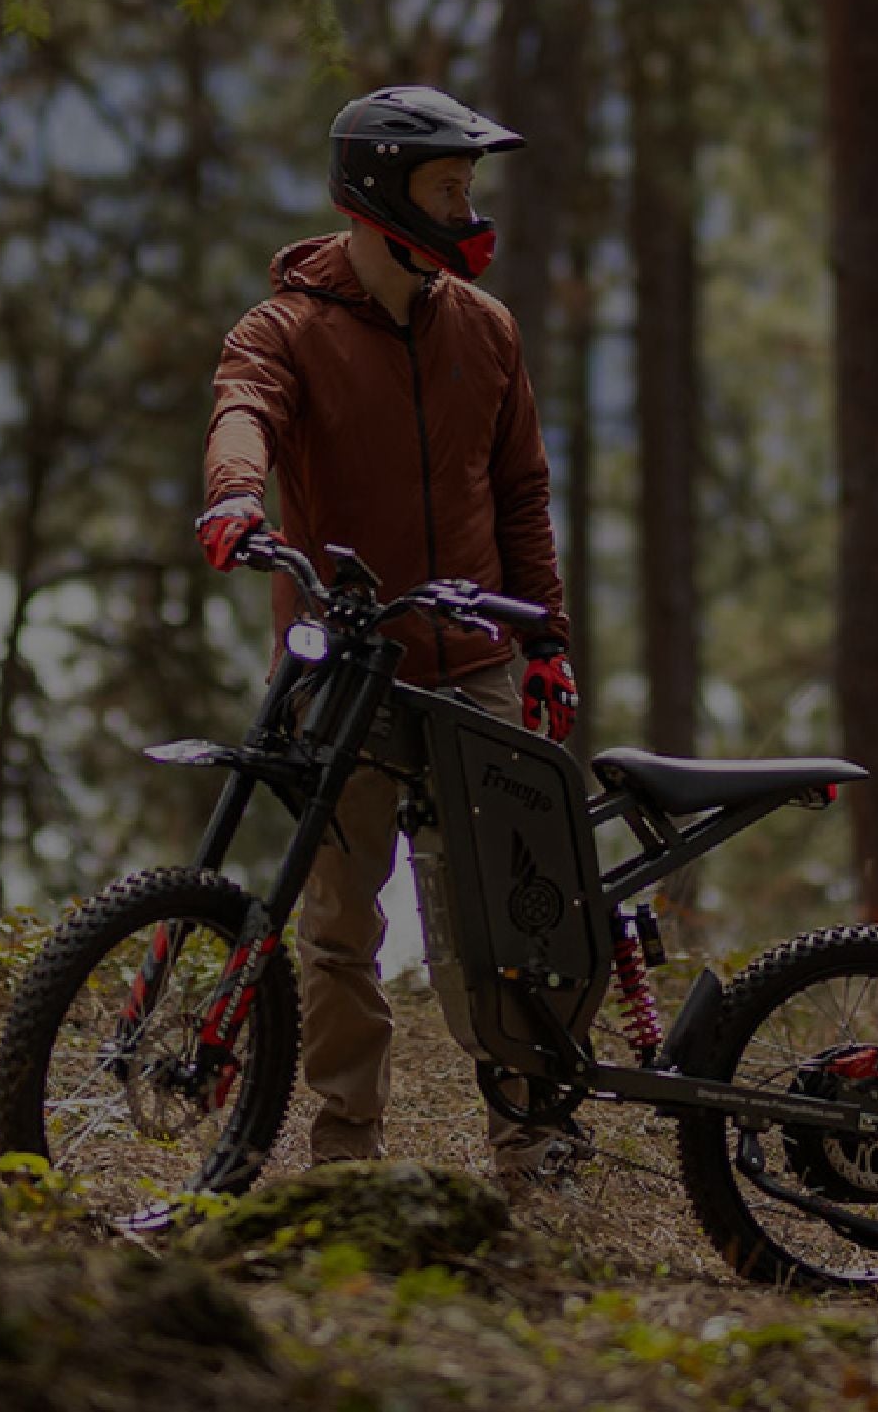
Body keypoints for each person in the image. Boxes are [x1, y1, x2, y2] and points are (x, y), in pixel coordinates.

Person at [197, 85, 582, 1184]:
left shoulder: (487, 328)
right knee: (336, 923)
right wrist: (234, 497)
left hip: (477, 666)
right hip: (346, 666)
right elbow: (243, 409)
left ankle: (531, 1141)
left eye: (467, 187)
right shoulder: (284, 330)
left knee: (503, 922)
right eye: (448, 188)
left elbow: (522, 495)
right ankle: (346, 1150)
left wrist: (547, 643)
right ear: (380, 196)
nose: (468, 208)